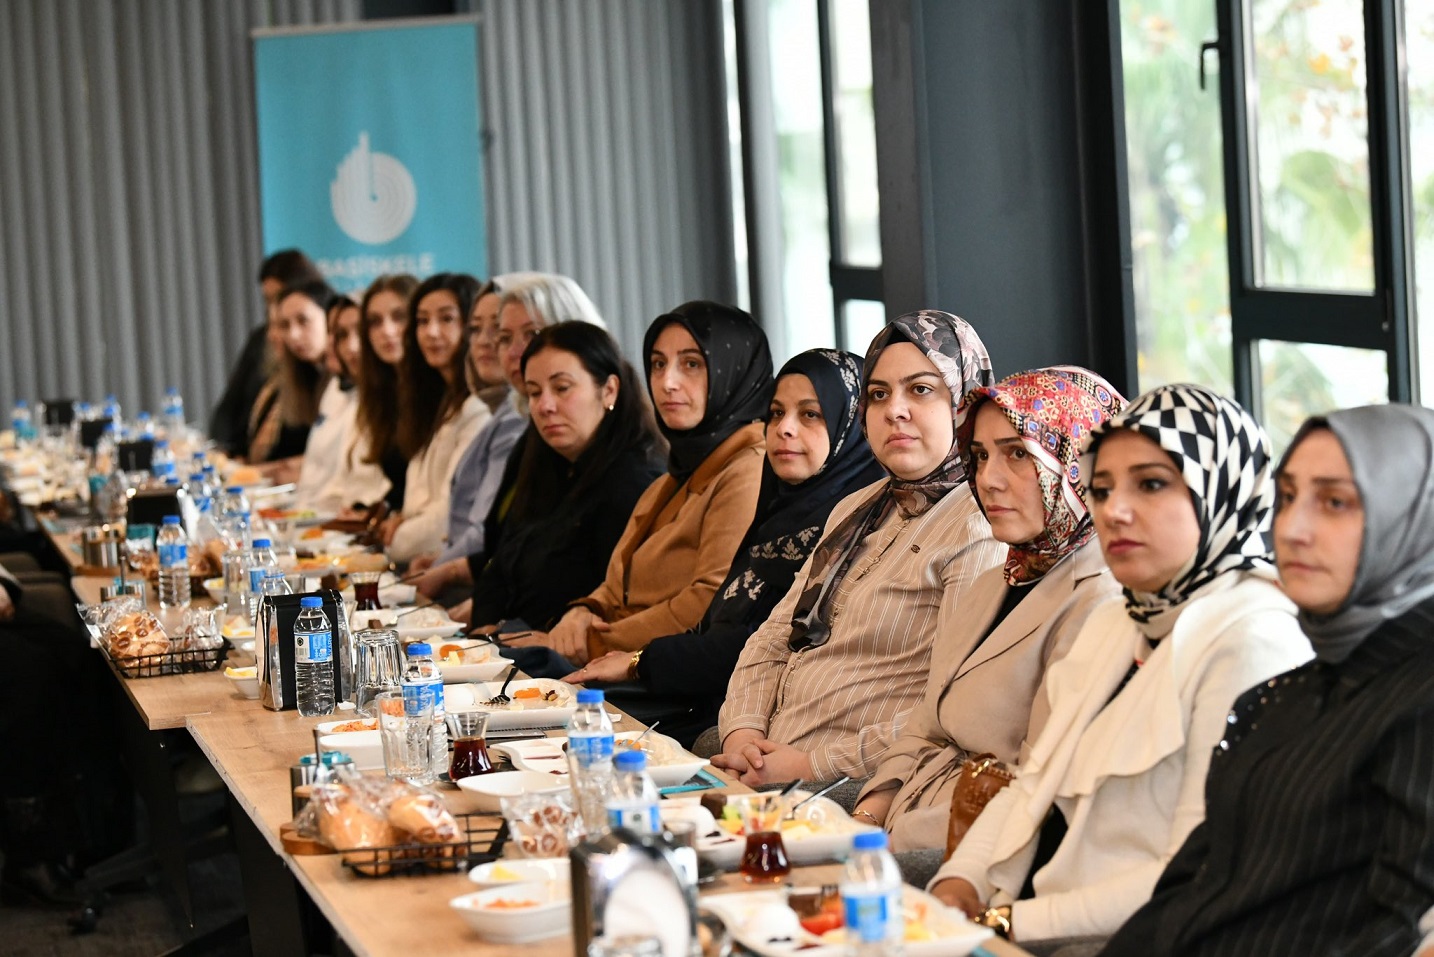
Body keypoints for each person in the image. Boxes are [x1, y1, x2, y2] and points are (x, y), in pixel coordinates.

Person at [929, 385, 1313, 955]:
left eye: (1151, 484)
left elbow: (1198, 871)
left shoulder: (1254, 639)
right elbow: (1034, 784)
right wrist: (959, 884)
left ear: (1219, 489)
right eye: (1102, 489)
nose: (1115, 510)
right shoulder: (1121, 618)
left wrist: (1007, 922)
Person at [1098, 404, 1434, 957]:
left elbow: (1397, 931)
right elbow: (1193, 884)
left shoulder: (1419, 699)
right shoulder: (1300, 686)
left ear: (1410, 516)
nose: (1294, 531)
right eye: (1288, 497)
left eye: (1335, 502)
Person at [850, 368, 1125, 873]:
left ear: (1079, 463)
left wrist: (897, 845)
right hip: (904, 819)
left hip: (983, 850)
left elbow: (1033, 788)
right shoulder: (995, 581)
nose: (988, 478)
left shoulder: (1102, 603)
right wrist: (867, 817)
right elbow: (924, 726)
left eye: (1018, 453)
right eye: (979, 456)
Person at [712, 310, 1005, 785]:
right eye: (879, 394)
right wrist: (743, 735)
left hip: (858, 782)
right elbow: (773, 639)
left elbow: (948, 711)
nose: (895, 410)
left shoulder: (979, 527)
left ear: (967, 403)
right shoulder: (859, 505)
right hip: (770, 757)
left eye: (922, 390)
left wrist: (810, 766)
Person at [564, 349, 885, 747]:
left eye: (810, 414)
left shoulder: (853, 526)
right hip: (711, 698)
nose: (784, 428)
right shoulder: (779, 510)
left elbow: (765, 645)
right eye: (776, 412)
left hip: (779, 721)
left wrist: (639, 662)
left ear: (851, 426)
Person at [505, 300, 771, 670]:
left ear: (734, 372)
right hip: (621, 664)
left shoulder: (747, 468)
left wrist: (590, 640)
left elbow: (709, 599)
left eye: (691, 364)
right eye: (658, 364)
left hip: (668, 679)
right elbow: (616, 584)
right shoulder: (682, 471)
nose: (667, 382)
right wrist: (583, 610)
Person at [465, 321, 665, 636]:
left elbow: (614, 608)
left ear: (609, 390)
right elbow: (500, 565)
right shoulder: (548, 464)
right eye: (534, 392)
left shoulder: (635, 482)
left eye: (562, 388)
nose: (544, 406)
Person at [410, 272, 596, 602]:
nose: (512, 352)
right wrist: (450, 566)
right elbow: (511, 543)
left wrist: (451, 571)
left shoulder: (553, 430)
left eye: (532, 334)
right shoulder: (516, 415)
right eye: (504, 337)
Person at [382, 273, 490, 563]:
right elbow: (419, 498)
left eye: (446, 319)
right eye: (422, 321)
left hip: (444, 562)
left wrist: (395, 540)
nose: (431, 332)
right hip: (416, 555)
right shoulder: (433, 400)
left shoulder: (478, 407)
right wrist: (400, 517)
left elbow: (449, 513)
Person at [210, 249, 323, 455]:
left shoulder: (322, 377)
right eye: (267, 300)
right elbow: (230, 406)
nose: (292, 335)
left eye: (278, 298)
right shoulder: (260, 340)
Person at [293, 295, 390, 512]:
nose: (351, 347)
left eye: (360, 332)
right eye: (341, 335)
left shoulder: (398, 402)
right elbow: (341, 480)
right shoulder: (355, 396)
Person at [246, 278, 337, 469]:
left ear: (331, 318)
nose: (293, 335)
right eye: (285, 325)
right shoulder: (299, 378)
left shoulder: (346, 381)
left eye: (303, 321)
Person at [353, 273, 418, 513]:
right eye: (375, 322)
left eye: (399, 317)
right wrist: (370, 511)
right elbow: (401, 485)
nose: (387, 331)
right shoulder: (383, 391)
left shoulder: (435, 394)